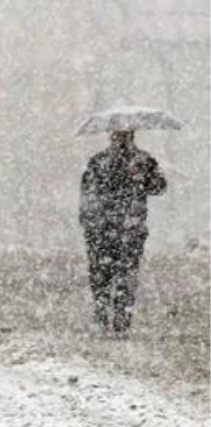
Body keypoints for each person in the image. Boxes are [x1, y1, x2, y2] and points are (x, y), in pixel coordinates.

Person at [80, 130, 167, 334]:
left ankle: (118, 321)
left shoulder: (143, 161)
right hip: (107, 228)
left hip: (126, 229)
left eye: (124, 136)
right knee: (104, 275)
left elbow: (160, 187)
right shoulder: (99, 161)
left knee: (121, 276)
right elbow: (87, 191)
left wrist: (141, 177)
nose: (120, 141)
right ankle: (106, 319)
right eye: (118, 136)